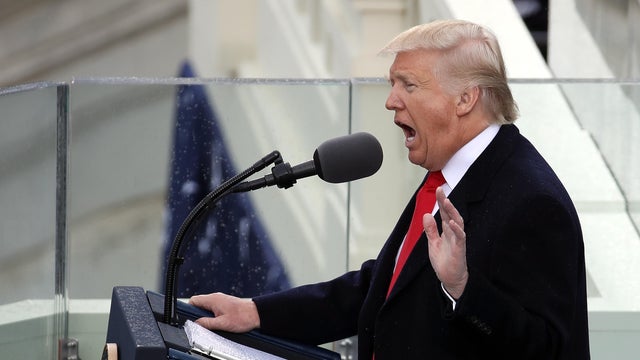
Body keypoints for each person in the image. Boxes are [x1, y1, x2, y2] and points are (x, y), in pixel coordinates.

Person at [189, 19, 590, 359]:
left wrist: (463, 289)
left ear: (465, 99)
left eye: (409, 85)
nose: (390, 101)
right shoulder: (448, 173)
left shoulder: (533, 201)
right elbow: (382, 286)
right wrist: (257, 313)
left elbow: (547, 349)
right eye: (392, 83)